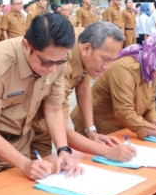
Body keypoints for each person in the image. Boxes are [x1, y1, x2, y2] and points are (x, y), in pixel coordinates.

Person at [0, 13, 81, 183]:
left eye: (59, 61)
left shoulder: (57, 61)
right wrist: (24, 164)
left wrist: (63, 150)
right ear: (26, 46)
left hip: (20, 143)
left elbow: (53, 109)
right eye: (46, 62)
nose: (53, 69)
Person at [30, 21, 136, 161]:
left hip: (42, 123)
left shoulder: (88, 49)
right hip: (25, 119)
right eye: (105, 59)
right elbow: (60, 125)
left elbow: (84, 85)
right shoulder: (62, 62)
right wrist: (108, 152)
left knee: (43, 168)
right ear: (87, 49)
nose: (107, 67)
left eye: (112, 60)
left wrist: (91, 130)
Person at [72, 28, 156, 141]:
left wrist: (154, 120)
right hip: (96, 128)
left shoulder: (150, 67)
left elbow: (149, 102)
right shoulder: (125, 69)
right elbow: (124, 112)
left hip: (121, 129)